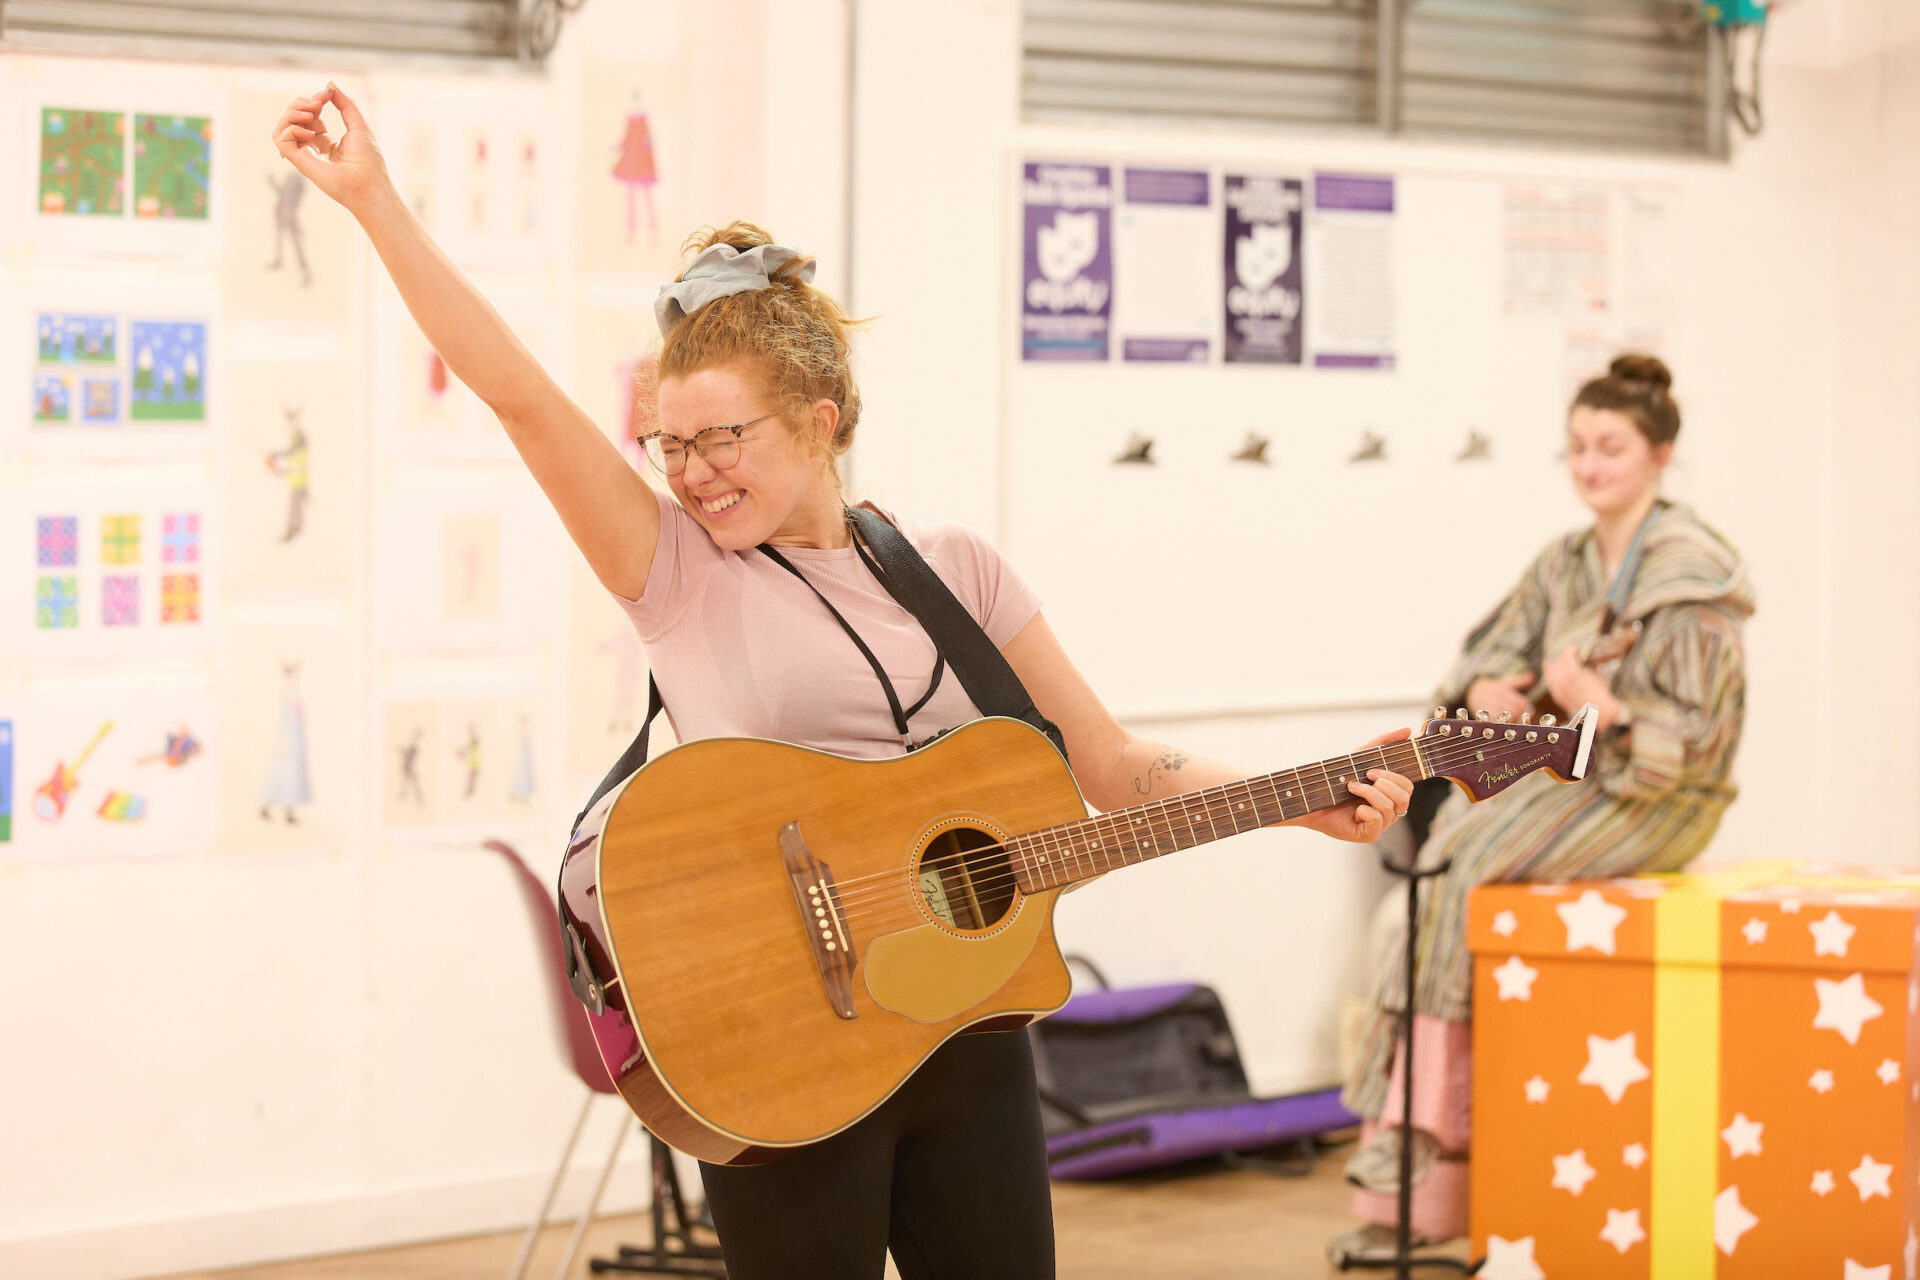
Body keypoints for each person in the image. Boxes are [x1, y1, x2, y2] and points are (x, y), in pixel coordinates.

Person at [273, 82, 1418, 1280]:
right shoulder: (674, 571)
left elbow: (1114, 765)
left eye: (726, 438)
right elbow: (517, 394)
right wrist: (375, 205)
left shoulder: (957, 569)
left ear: (820, 420)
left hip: (966, 1035)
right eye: (671, 442)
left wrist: (1297, 793)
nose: (695, 472)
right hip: (781, 1038)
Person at [1331, 354, 1754, 1263]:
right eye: (1578, 448)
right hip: (1577, 776)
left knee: (1464, 859)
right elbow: (1479, 660)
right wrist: (1492, 685)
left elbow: (1704, 746)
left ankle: (1426, 1127)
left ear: (1660, 455)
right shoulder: (1563, 561)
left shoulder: (1694, 577)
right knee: (1433, 858)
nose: (1591, 465)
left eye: (1612, 447)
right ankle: (1406, 1132)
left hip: (1663, 798)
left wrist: (1610, 701)